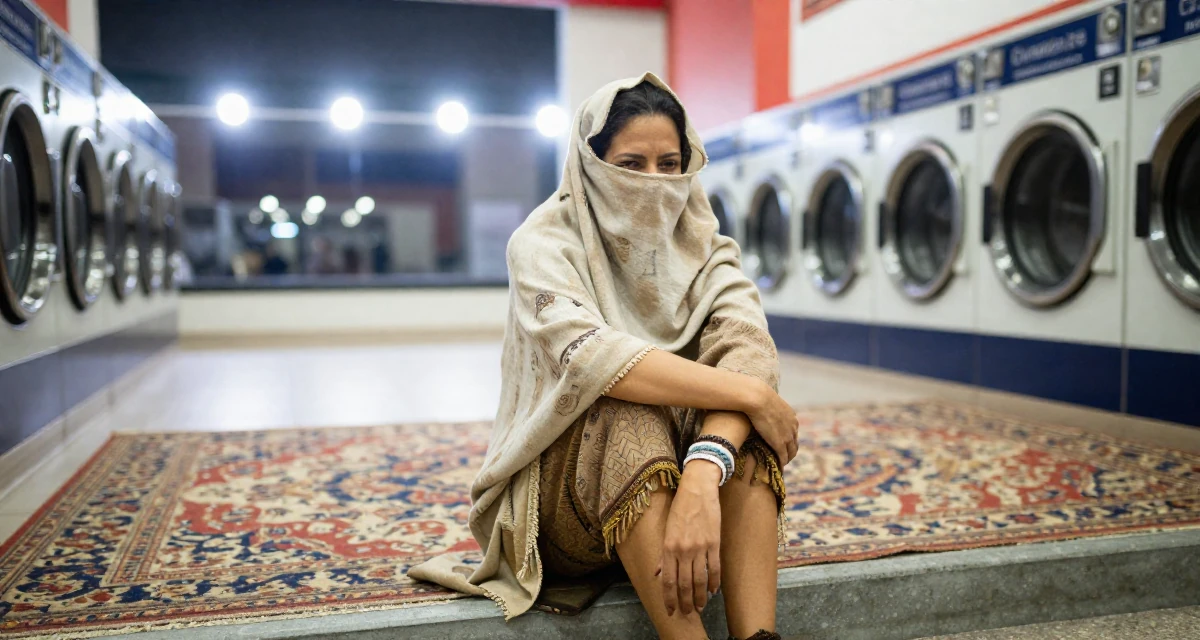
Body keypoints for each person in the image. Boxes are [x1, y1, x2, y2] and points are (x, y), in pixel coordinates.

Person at [409, 73, 798, 640]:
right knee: (629, 408)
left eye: (670, 164)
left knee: (746, 431)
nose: (655, 182)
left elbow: (747, 347)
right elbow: (596, 361)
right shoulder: (544, 243)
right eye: (631, 164)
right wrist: (754, 394)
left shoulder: (705, 248)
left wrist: (702, 468)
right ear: (591, 164)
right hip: (562, 514)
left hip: (687, 496)